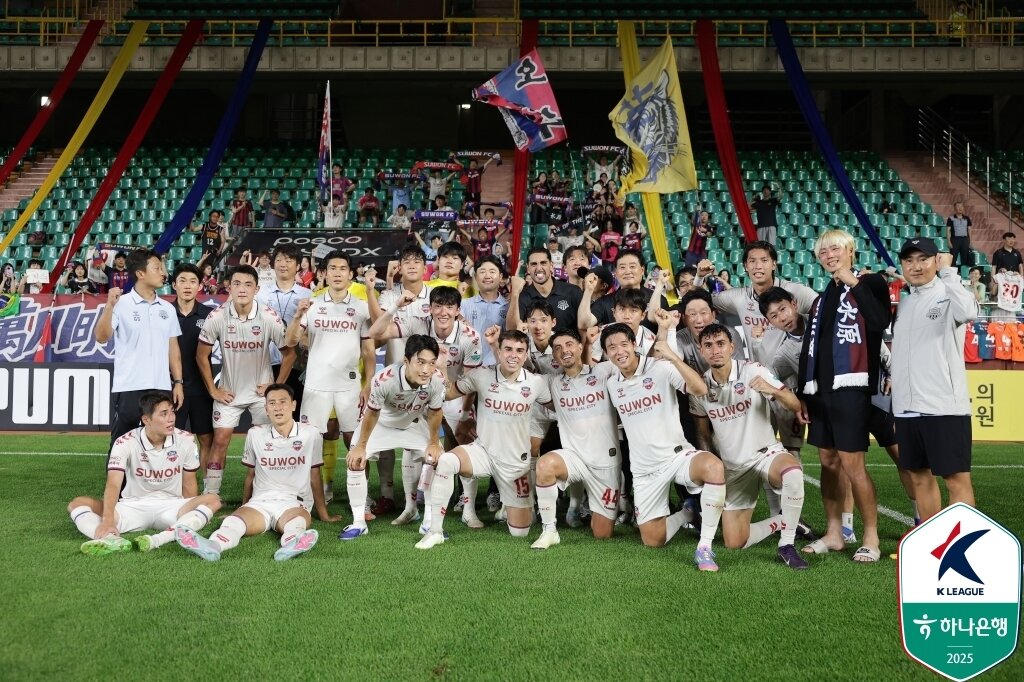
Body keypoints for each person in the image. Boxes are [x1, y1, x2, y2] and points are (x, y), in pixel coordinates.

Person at [602, 319, 726, 571]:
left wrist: (673, 357)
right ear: (606, 353)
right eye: (612, 347)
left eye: (624, 344)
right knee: (653, 540)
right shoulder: (612, 383)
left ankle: (704, 547)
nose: (619, 351)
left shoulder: (660, 368)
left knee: (713, 467)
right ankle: (688, 512)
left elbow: (700, 389)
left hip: (676, 456)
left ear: (634, 344)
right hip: (644, 470)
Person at [798, 230, 890, 563]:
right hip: (820, 393)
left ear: (851, 251)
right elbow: (811, 349)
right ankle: (835, 533)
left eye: (835, 248)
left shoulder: (871, 283)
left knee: (853, 465)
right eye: (823, 252)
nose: (829, 255)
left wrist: (854, 282)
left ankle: (871, 537)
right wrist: (804, 394)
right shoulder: (823, 297)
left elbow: (880, 322)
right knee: (828, 463)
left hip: (852, 390)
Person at [416, 328, 551, 549]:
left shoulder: (536, 383)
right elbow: (448, 393)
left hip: (516, 463)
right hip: (484, 451)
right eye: (508, 349)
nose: (513, 355)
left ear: (526, 354)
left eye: (519, 350)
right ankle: (435, 531)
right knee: (447, 461)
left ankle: (510, 507)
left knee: (520, 532)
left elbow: (557, 407)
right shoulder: (482, 375)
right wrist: (442, 368)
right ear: (499, 351)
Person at [690, 323, 809, 569]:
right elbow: (702, 433)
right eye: (708, 345)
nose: (715, 350)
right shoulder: (699, 387)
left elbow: (795, 405)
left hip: (766, 455)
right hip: (734, 467)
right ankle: (782, 521)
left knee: (793, 473)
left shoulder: (752, 370)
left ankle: (786, 545)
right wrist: (713, 469)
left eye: (721, 344)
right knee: (735, 541)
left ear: (732, 347)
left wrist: (771, 390)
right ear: (701, 351)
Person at [176, 384, 339, 562]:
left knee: (296, 522)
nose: (278, 407)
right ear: (266, 409)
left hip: (294, 501)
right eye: (272, 403)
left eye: (283, 402)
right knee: (233, 522)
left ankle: (290, 544)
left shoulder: (311, 433)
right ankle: (213, 546)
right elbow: (250, 475)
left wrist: (323, 514)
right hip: (260, 501)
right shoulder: (255, 434)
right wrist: (243, 507)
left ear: (293, 405)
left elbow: (315, 475)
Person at [284, 251, 375, 535]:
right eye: (332, 268)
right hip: (315, 386)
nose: (337, 273)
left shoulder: (361, 307)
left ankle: (363, 500)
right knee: (309, 445)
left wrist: (368, 384)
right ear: (324, 273)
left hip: (349, 387)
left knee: (355, 443)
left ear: (351, 274)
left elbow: (369, 351)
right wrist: (298, 315)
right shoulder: (311, 304)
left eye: (342, 268)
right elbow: (290, 341)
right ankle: (306, 500)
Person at [68, 391, 222, 556]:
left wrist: (192, 510)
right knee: (77, 503)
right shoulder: (124, 442)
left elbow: (189, 483)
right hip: (132, 507)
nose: (171, 418)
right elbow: (113, 484)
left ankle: (159, 539)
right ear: (146, 420)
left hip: (172, 507)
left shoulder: (186, 439)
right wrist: (107, 521)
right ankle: (110, 538)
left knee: (213, 500)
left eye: (172, 412)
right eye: (164, 414)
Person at [892, 238, 979, 521]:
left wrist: (949, 273)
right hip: (906, 408)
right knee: (919, 478)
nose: (916, 266)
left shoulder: (948, 292)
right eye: (909, 260)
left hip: (943, 407)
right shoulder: (905, 304)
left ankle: (962, 542)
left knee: (956, 480)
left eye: (923, 259)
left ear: (936, 260)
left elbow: (969, 312)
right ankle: (933, 541)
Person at [196, 265, 295, 496]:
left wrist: (275, 388)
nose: (242, 289)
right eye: (237, 284)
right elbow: (201, 355)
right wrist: (213, 390)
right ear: (228, 287)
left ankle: (266, 492)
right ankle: (211, 494)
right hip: (229, 392)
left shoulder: (268, 316)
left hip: (261, 395)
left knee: (267, 443)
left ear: (256, 289)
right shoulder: (217, 316)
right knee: (220, 441)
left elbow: (289, 354)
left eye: (248, 284)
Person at [341, 335, 447, 538]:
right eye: (420, 362)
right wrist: (360, 445)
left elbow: (435, 412)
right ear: (406, 360)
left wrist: (434, 442)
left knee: (438, 460)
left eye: (432, 363)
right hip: (381, 424)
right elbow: (372, 413)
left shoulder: (437, 379)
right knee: (355, 461)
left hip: (412, 423)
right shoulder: (384, 380)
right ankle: (358, 522)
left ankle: (429, 523)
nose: (426, 370)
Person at [532, 328, 621, 549]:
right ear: (554, 356)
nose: (564, 350)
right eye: (558, 348)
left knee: (602, 534)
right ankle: (549, 530)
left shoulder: (604, 371)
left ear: (580, 347)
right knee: (544, 465)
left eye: (569, 344)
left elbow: (632, 369)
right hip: (574, 459)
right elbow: (516, 377)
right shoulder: (552, 382)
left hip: (606, 464)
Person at [95, 249, 184, 445]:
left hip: (161, 387)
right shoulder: (120, 304)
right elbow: (101, 337)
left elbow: (173, 349)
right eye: (157, 268)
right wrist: (109, 306)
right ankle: (118, 468)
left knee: (160, 443)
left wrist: (178, 382)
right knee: (122, 444)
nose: (163, 273)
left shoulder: (168, 309)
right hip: (129, 386)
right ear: (140, 273)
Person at [256, 245, 312, 415]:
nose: (283, 264)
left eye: (288, 260)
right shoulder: (261, 293)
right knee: (267, 415)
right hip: (265, 362)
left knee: (295, 413)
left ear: (298, 266)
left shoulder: (308, 295)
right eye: (279, 259)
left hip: (298, 364)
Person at [170, 264, 215, 471]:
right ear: (174, 285)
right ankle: (173, 483)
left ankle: (207, 485)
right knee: (170, 439)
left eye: (192, 281)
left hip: (201, 388)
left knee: (206, 438)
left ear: (199, 286)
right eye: (182, 281)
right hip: (171, 388)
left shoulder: (209, 315)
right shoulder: (164, 313)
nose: (187, 286)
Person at [582, 250, 670, 327]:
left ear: (642, 270)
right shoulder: (604, 302)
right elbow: (584, 324)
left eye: (632, 266)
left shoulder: (659, 299)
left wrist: (660, 283)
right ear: (616, 272)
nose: (627, 271)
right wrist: (588, 291)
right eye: (622, 267)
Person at [507, 247, 584, 332]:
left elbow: (584, 328)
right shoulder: (522, 296)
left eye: (543, 263)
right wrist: (515, 294)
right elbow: (512, 331)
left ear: (551, 266)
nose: (539, 268)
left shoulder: (573, 291)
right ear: (528, 268)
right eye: (534, 264)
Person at [461, 256, 509, 367]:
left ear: (500, 277)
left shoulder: (508, 307)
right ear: (475, 277)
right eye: (482, 272)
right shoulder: (464, 304)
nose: (487, 276)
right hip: (468, 367)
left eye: (492, 272)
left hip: (498, 367)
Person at [946, 201, 973, 267]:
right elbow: (948, 230)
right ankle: (952, 271)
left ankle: (964, 271)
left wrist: (970, 241)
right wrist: (949, 242)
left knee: (965, 258)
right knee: (953, 258)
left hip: (965, 240)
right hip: (955, 240)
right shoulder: (951, 218)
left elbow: (969, 230)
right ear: (955, 208)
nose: (960, 208)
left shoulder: (967, 218)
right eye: (958, 206)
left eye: (961, 206)